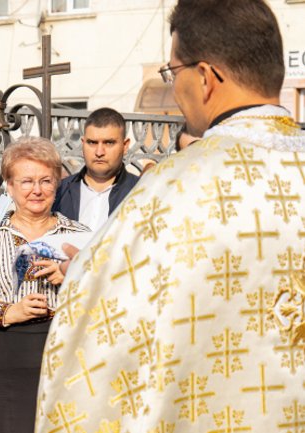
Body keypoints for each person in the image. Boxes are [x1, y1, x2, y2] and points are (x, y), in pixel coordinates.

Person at [35, 1, 305, 432]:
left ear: (205, 77)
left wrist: (85, 272)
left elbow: (99, 356)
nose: (174, 86)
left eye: (172, 71)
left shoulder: (169, 194)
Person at [0, 137, 88, 433]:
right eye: (26, 181)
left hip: (68, 357)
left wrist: (72, 275)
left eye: (45, 180)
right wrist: (8, 312)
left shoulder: (83, 236)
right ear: (10, 187)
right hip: (6, 361)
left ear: (58, 183)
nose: (36, 190)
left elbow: (111, 294)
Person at [52, 107, 139, 233]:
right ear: (83, 144)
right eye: (92, 143)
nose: (99, 152)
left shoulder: (140, 191)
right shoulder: (59, 192)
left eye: (109, 143)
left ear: (125, 146)